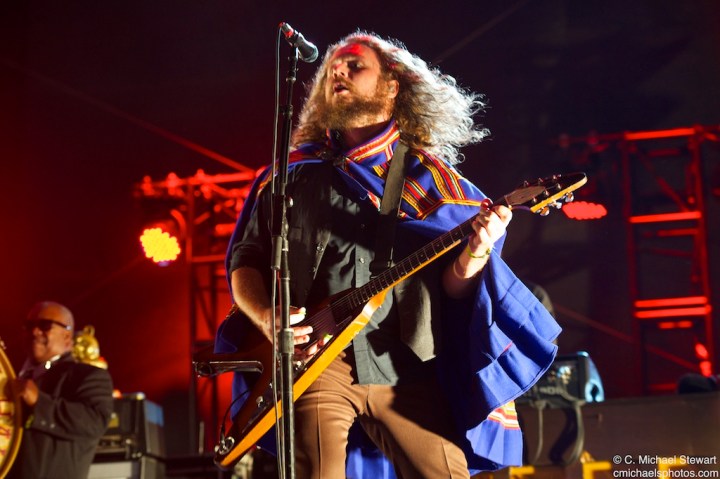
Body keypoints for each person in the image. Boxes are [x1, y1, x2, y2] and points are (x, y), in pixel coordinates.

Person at [215, 31, 561, 478]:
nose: (337, 72)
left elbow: (456, 292)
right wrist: (266, 317)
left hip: (405, 364)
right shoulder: (290, 174)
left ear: (392, 86)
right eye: (331, 68)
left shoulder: (438, 183)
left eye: (354, 65)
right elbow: (245, 260)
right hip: (316, 363)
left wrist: (476, 253)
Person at [8, 301, 114, 479]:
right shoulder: (9, 373)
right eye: (29, 326)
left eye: (45, 326)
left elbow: (95, 422)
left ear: (67, 336)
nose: (34, 332)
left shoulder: (87, 376)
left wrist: (39, 401)